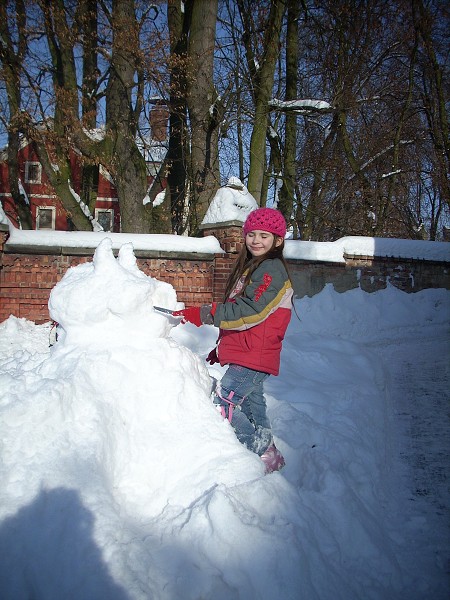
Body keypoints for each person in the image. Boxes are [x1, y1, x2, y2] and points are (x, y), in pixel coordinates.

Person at [177, 207, 293, 473]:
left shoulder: (271, 271)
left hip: (255, 354)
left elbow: (250, 312)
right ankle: (271, 457)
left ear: (278, 240)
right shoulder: (255, 267)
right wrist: (224, 347)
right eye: (251, 234)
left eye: (264, 235)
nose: (256, 240)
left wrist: (204, 313)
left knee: (222, 404)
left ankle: (259, 452)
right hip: (250, 351)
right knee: (253, 404)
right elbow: (249, 317)